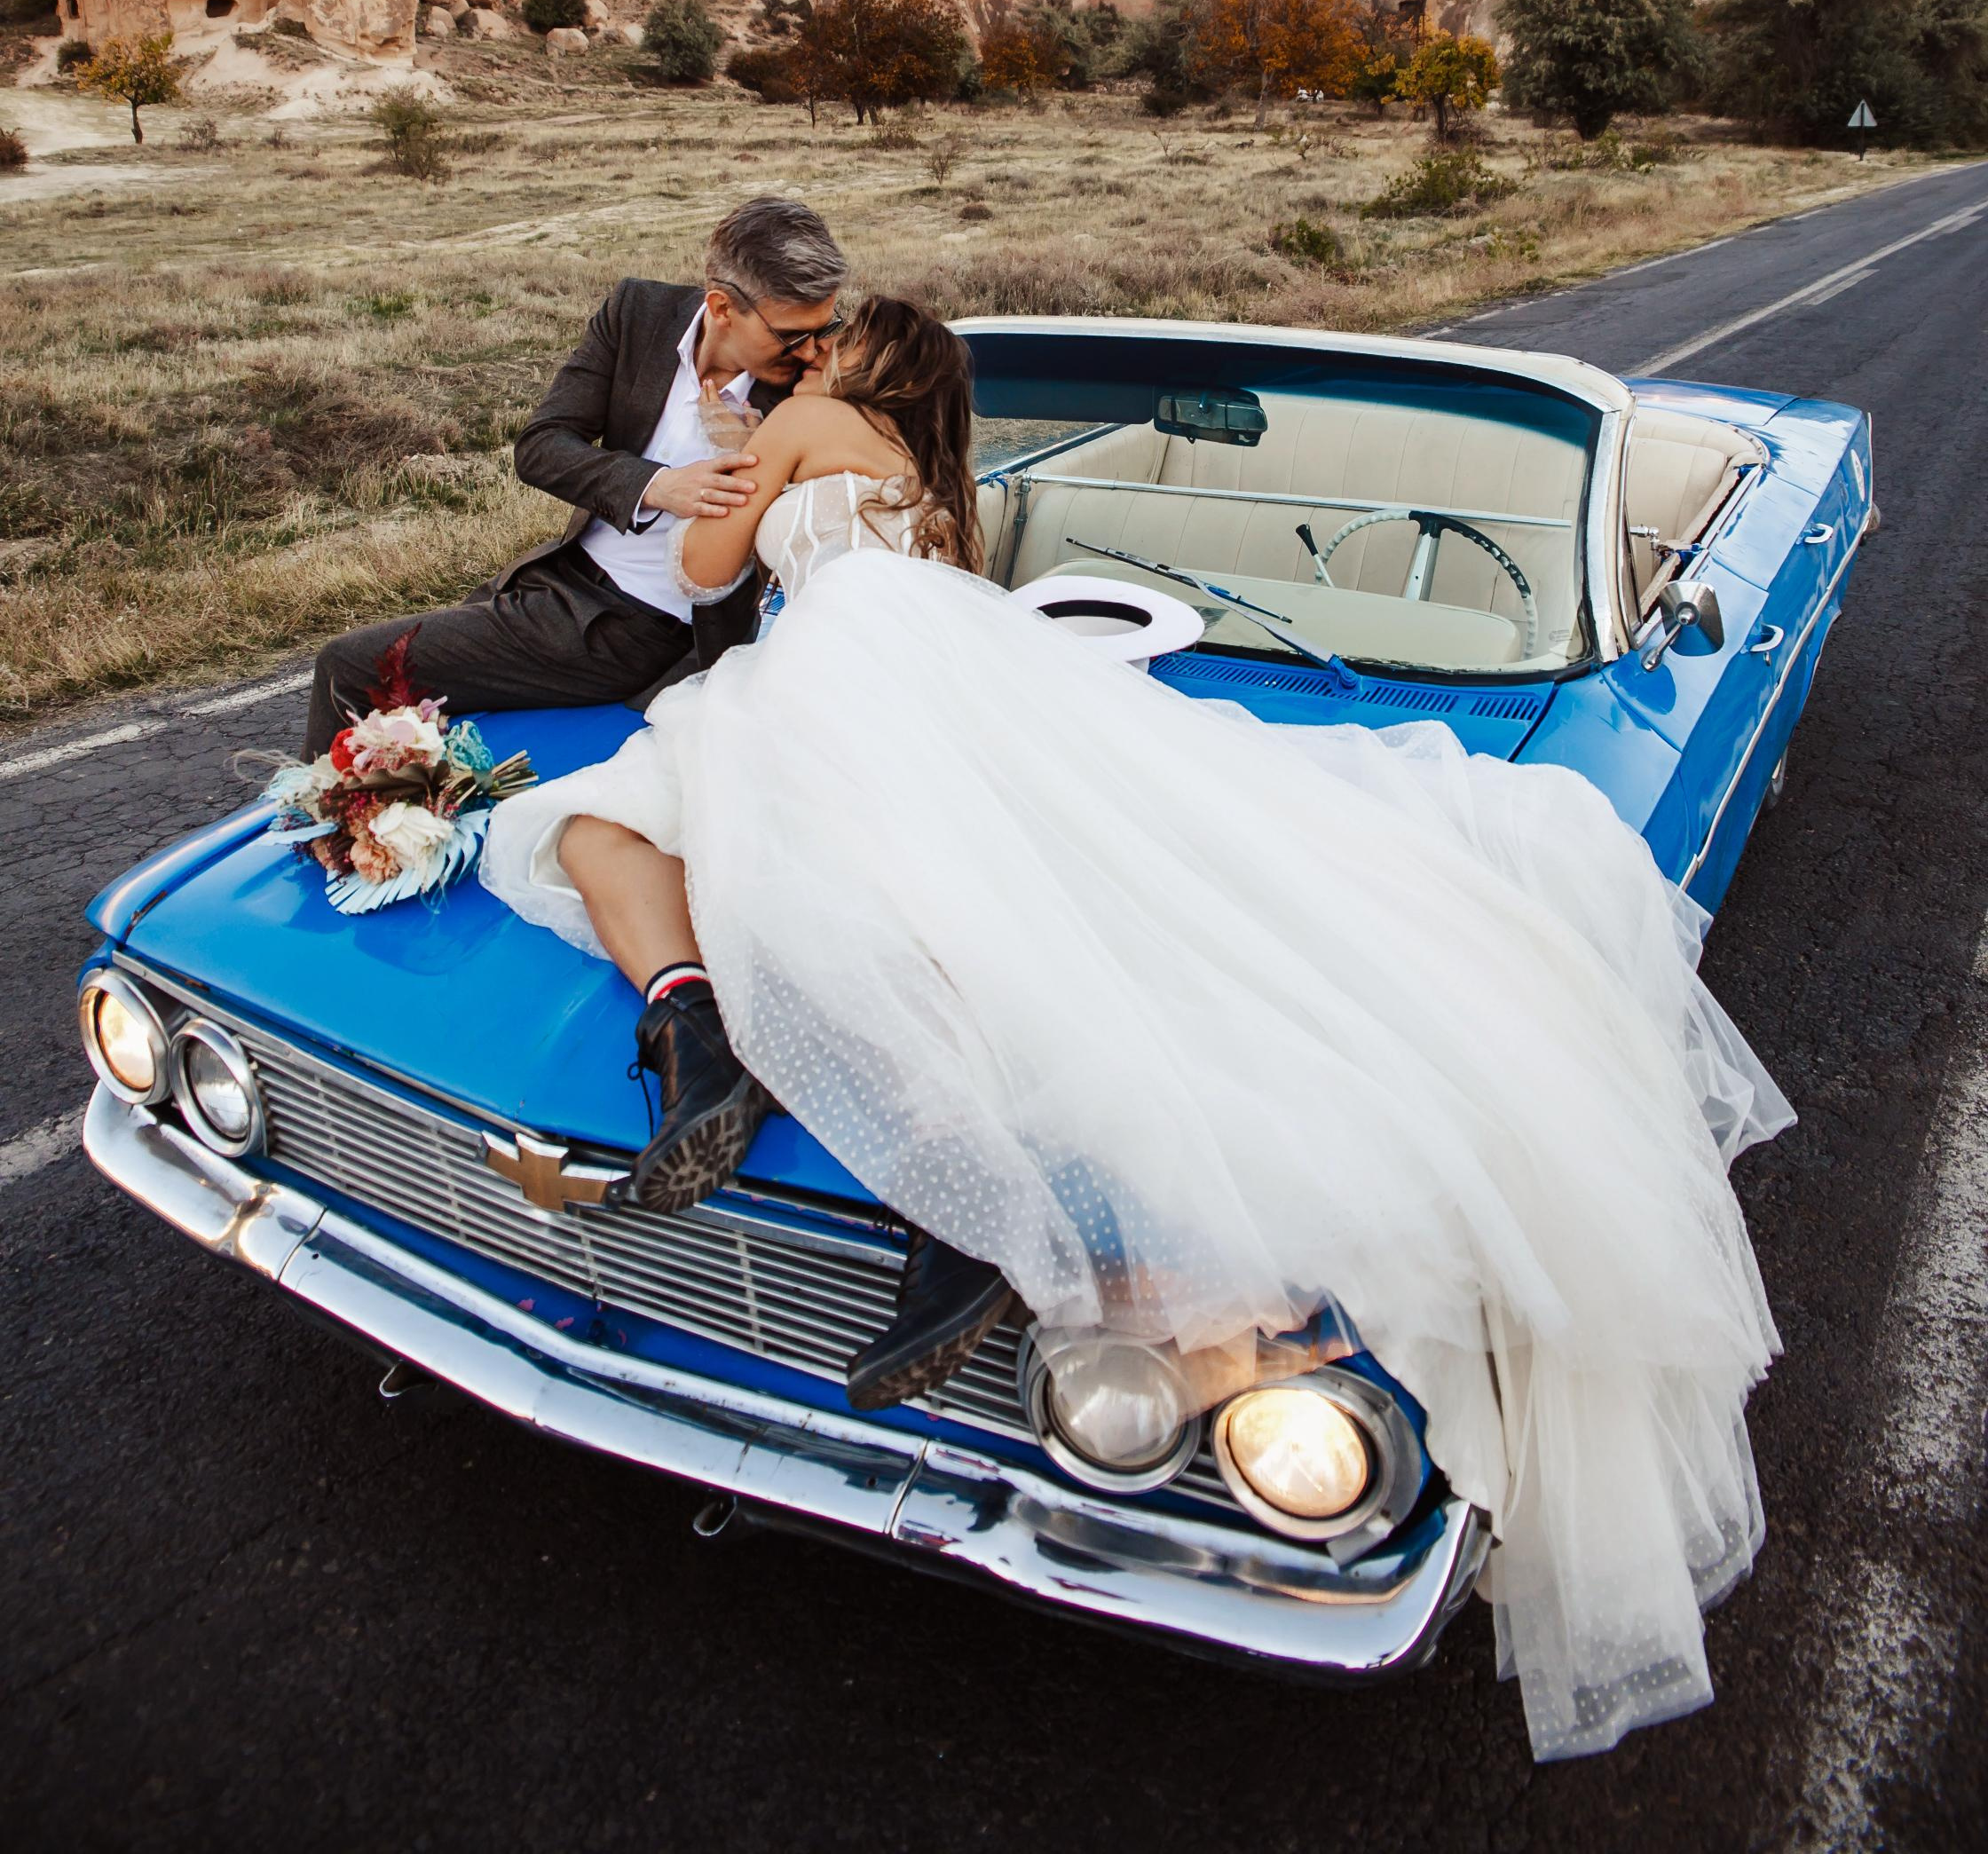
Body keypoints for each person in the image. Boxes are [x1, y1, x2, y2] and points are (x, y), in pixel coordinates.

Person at [478, 295, 1792, 1765]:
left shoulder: (797, 422)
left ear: (858, 362)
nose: (811, 355)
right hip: (927, 687)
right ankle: (967, 1183)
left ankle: (803, 1099)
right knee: (977, 908)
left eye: (829, 344)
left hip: (822, 685)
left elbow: (711, 568)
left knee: (756, 878)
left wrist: (728, 457)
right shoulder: (939, 493)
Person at [303, 194, 847, 754]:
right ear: (722, 307)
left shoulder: (815, 388)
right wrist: (658, 485)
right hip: (556, 576)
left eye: (826, 324)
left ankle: (317, 834)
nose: (814, 349)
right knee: (412, 723)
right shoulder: (639, 313)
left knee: (349, 667)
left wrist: (759, 448)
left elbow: (828, 518)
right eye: (791, 335)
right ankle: (364, 829)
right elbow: (542, 446)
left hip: (635, 627)